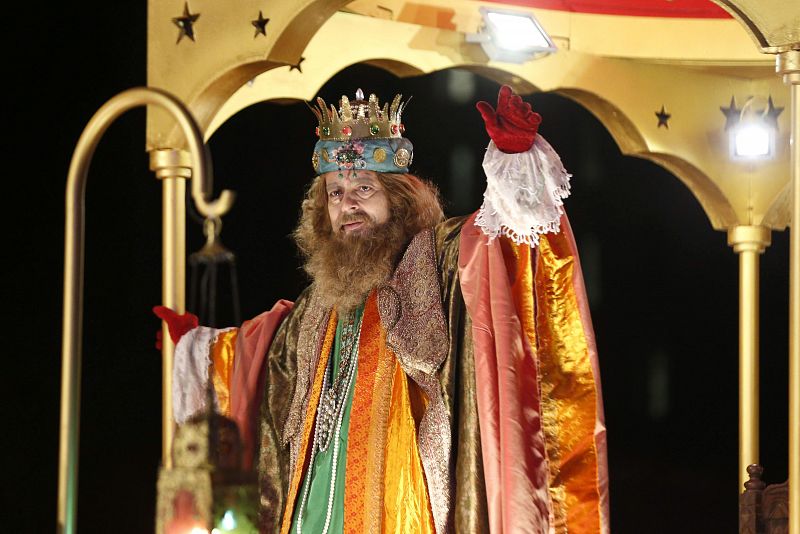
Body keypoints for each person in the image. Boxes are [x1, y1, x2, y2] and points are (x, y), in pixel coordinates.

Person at [156, 86, 609, 533]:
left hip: (402, 509)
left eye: (363, 187)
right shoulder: (315, 309)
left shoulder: (436, 264)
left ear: (398, 196)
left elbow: (496, 247)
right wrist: (196, 349)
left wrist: (515, 162)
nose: (347, 204)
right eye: (335, 192)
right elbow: (260, 353)